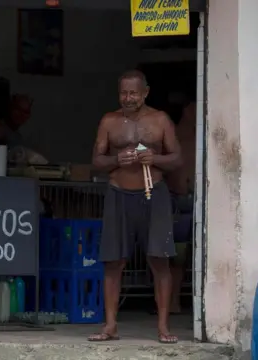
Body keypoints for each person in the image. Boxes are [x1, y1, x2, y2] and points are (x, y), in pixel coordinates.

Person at [88, 70, 182, 344]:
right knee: (113, 262)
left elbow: (177, 158)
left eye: (133, 93)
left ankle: (163, 328)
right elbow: (97, 160)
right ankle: (110, 326)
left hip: (155, 194)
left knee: (159, 260)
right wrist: (118, 159)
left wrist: (155, 158)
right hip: (118, 193)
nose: (128, 98)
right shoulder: (109, 121)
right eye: (123, 93)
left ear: (146, 92)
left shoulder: (160, 120)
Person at [165, 92, 196, 314]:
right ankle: (170, 302)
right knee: (175, 256)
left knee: (197, 256)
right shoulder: (170, 135)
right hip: (175, 202)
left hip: (201, 202)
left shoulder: (204, 136)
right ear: (187, 109)